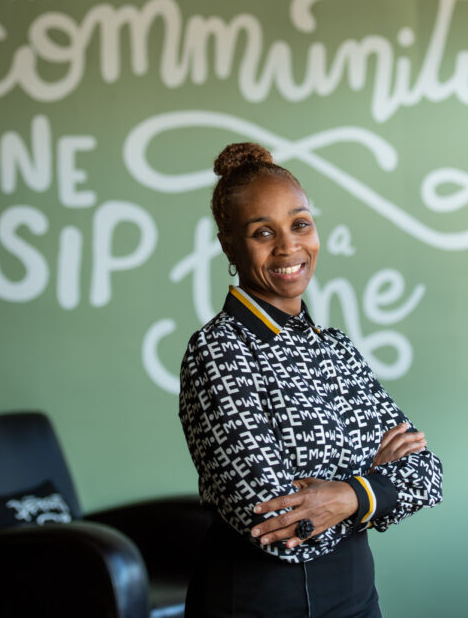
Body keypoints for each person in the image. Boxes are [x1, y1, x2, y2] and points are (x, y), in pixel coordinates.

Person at [179, 142, 443, 618]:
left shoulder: (335, 346)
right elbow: (279, 528)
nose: (289, 246)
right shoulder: (217, 351)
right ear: (229, 245)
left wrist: (345, 495)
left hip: (357, 599)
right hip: (258, 604)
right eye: (263, 232)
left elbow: (427, 474)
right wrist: (374, 485)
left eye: (300, 223)